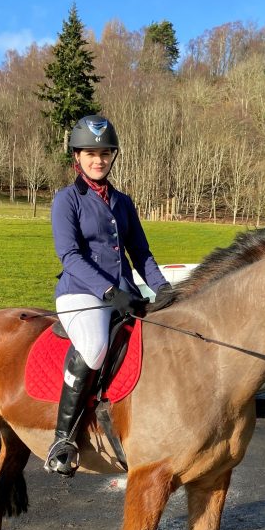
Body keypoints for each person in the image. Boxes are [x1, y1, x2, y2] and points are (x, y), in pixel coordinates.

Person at [45, 115, 175, 476]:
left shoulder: (123, 202)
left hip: (124, 294)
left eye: (104, 153)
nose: (97, 160)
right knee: (95, 347)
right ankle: (63, 439)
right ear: (77, 156)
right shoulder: (66, 200)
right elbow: (69, 256)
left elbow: (141, 253)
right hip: (81, 294)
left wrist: (164, 288)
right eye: (90, 153)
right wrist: (109, 291)